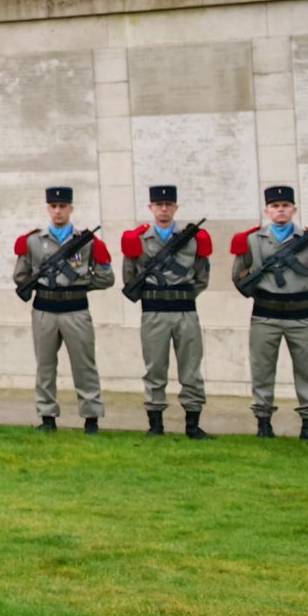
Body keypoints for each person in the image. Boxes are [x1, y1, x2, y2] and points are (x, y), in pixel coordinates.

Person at [12, 186, 112, 434]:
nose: (58, 211)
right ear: (48, 208)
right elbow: (21, 275)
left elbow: (106, 277)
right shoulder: (33, 241)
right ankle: (47, 417)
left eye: (63, 206)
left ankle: (91, 417)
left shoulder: (86, 241)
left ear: (71, 208)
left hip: (76, 309)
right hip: (44, 309)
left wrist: (79, 286)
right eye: (53, 207)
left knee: (84, 365)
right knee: (45, 366)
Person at [232, 185, 308, 441]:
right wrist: (266, 294)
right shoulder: (253, 240)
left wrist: (298, 295)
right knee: (262, 368)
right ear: (267, 210)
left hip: (301, 315)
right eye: (275, 206)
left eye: (285, 205)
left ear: (294, 209)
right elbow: (239, 275)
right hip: (265, 315)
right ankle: (264, 422)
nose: (280, 210)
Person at [121, 185, 212, 439]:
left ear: (175, 208)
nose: (164, 209)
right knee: (155, 369)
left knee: (191, 369)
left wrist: (183, 294)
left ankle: (193, 425)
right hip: (154, 312)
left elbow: (202, 276)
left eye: (168, 205)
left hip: (185, 311)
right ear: (150, 208)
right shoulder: (138, 240)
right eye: (159, 205)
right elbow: (129, 275)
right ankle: (156, 424)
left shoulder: (192, 239)